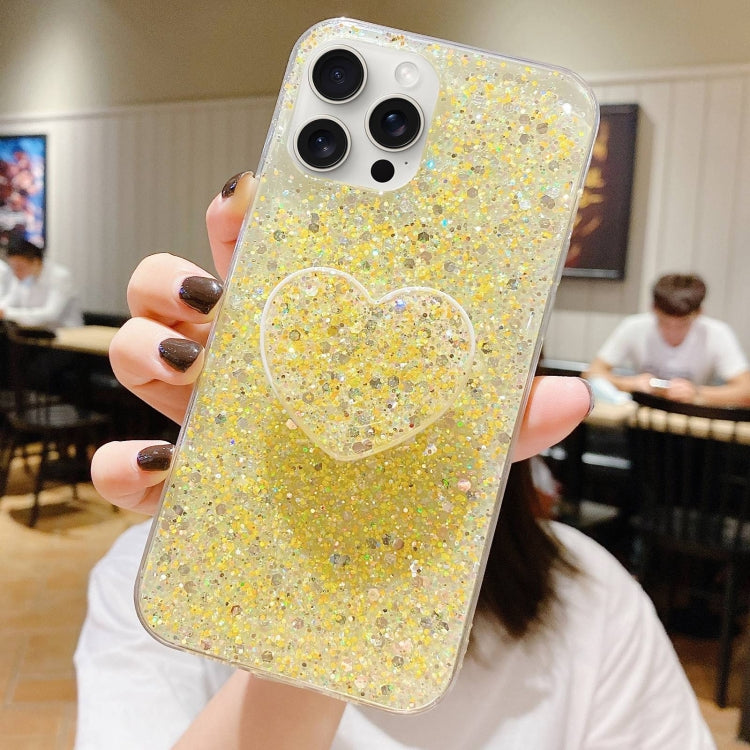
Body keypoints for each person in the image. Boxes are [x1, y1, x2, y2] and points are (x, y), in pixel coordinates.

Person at [75, 172, 715, 749]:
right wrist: (323, 584)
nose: (367, 396)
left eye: (422, 360)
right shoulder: (163, 580)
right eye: (329, 353)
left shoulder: (595, 599)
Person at [585, 273, 750, 407]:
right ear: (653, 308)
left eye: (683, 323)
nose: (673, 329)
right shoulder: (634, 326)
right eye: (664, 322)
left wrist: (697, 393)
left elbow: (745, 391)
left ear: (700, 313)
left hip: (692, 419)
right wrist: (630, 384)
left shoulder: (717, 333)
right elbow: (592, 372)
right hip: (643, 418)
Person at [0, 236, 83, 328]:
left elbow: (50, 314)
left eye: (19, 267)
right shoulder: (23, 277)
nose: (15, 272)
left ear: (36, 262)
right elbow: (10, 300)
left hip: (64, 332)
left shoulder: (59, 276)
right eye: (12, 267)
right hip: (31, 331)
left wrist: (6, 313)